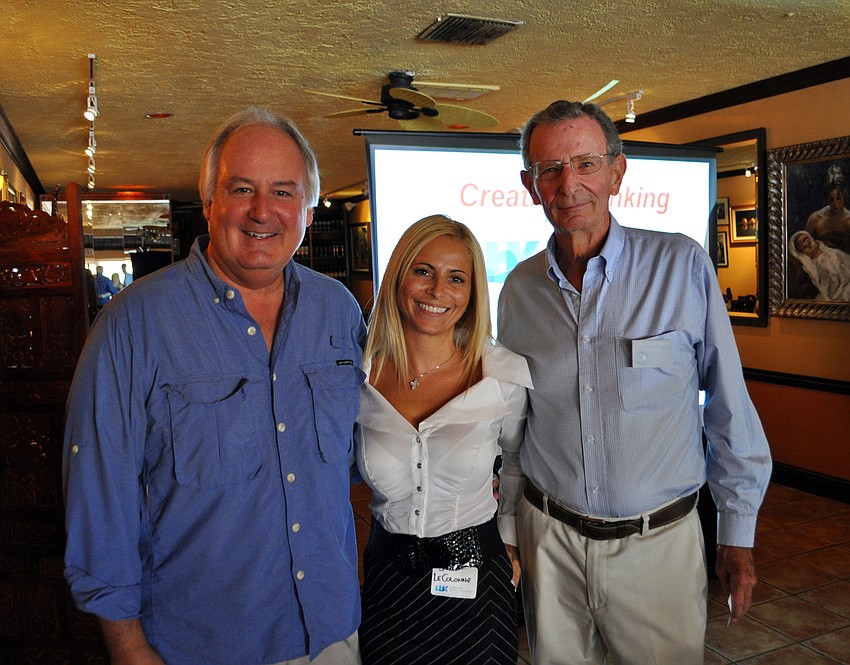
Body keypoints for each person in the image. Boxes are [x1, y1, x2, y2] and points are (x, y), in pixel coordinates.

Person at [63, 108, 366, 665]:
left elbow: (362, 453)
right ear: (208, 203)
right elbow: (99, 495)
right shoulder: (134, 325)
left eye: (282, 191)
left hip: (330, 632)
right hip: (199, 645)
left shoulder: (338, 312)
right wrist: (127, 646)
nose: (261, 211)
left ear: (307, 208)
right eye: (241, 188)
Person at [496, 100, 772, 665]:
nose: (568, 184)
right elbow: (517, 429)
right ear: (530, 185)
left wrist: (737, 534)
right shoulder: (518, 290)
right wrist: (509, 527)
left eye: (585, 164)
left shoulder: (682, 265)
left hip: (658, 547)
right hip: (550, 541)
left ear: (618, 172)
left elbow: (728, 405)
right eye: (549, 169)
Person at [356, 215, 532, 665]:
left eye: (456, 278)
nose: (438, 291)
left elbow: (515, 462)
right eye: (423, 271)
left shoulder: (501, 373)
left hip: (476, 580)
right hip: (387, 586)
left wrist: (510, 539)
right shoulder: (359, 372)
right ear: (399, 275)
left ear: (472, 294)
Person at [789, 230, 850, 301]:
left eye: (807, 238)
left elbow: (823, 247)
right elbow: (812, 253)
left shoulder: (813, 243)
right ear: (800, 247)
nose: (807, 240)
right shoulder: (806, 251)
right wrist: (817, 245)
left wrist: (820, 245)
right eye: (804, 241)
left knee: (839, 262)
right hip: (820, 262)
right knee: (831, 272)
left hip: (828, 255)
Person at [804, 164, 850, 253]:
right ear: (826, 199)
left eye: (839, 198)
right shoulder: (815, 219)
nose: (836, 204)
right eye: (831, 200)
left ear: (844, 195)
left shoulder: (848, 220)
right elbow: (803, 250)